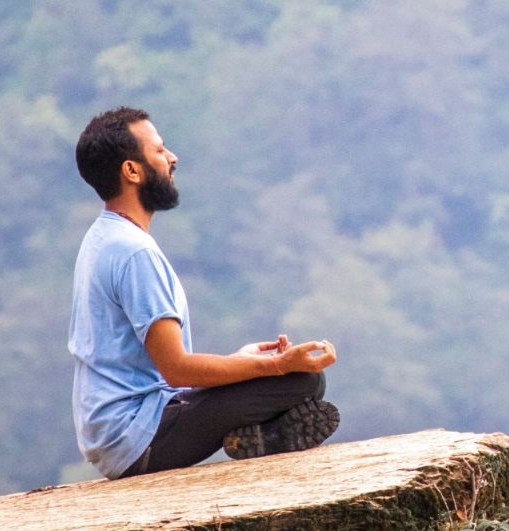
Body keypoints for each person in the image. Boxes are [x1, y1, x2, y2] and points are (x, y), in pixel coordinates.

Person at [69, 106, 339, 480]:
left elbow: (162, 371)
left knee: (281, 377)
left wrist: (239, 362)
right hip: (138, 438)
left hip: (118, 433)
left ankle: (261, 438)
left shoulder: (102, 238)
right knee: (303, 381)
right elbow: (176, 369)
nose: (172, 158)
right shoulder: (136, 253)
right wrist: (274, 366)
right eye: (160, 151)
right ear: (132, 170)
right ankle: (265, 436)